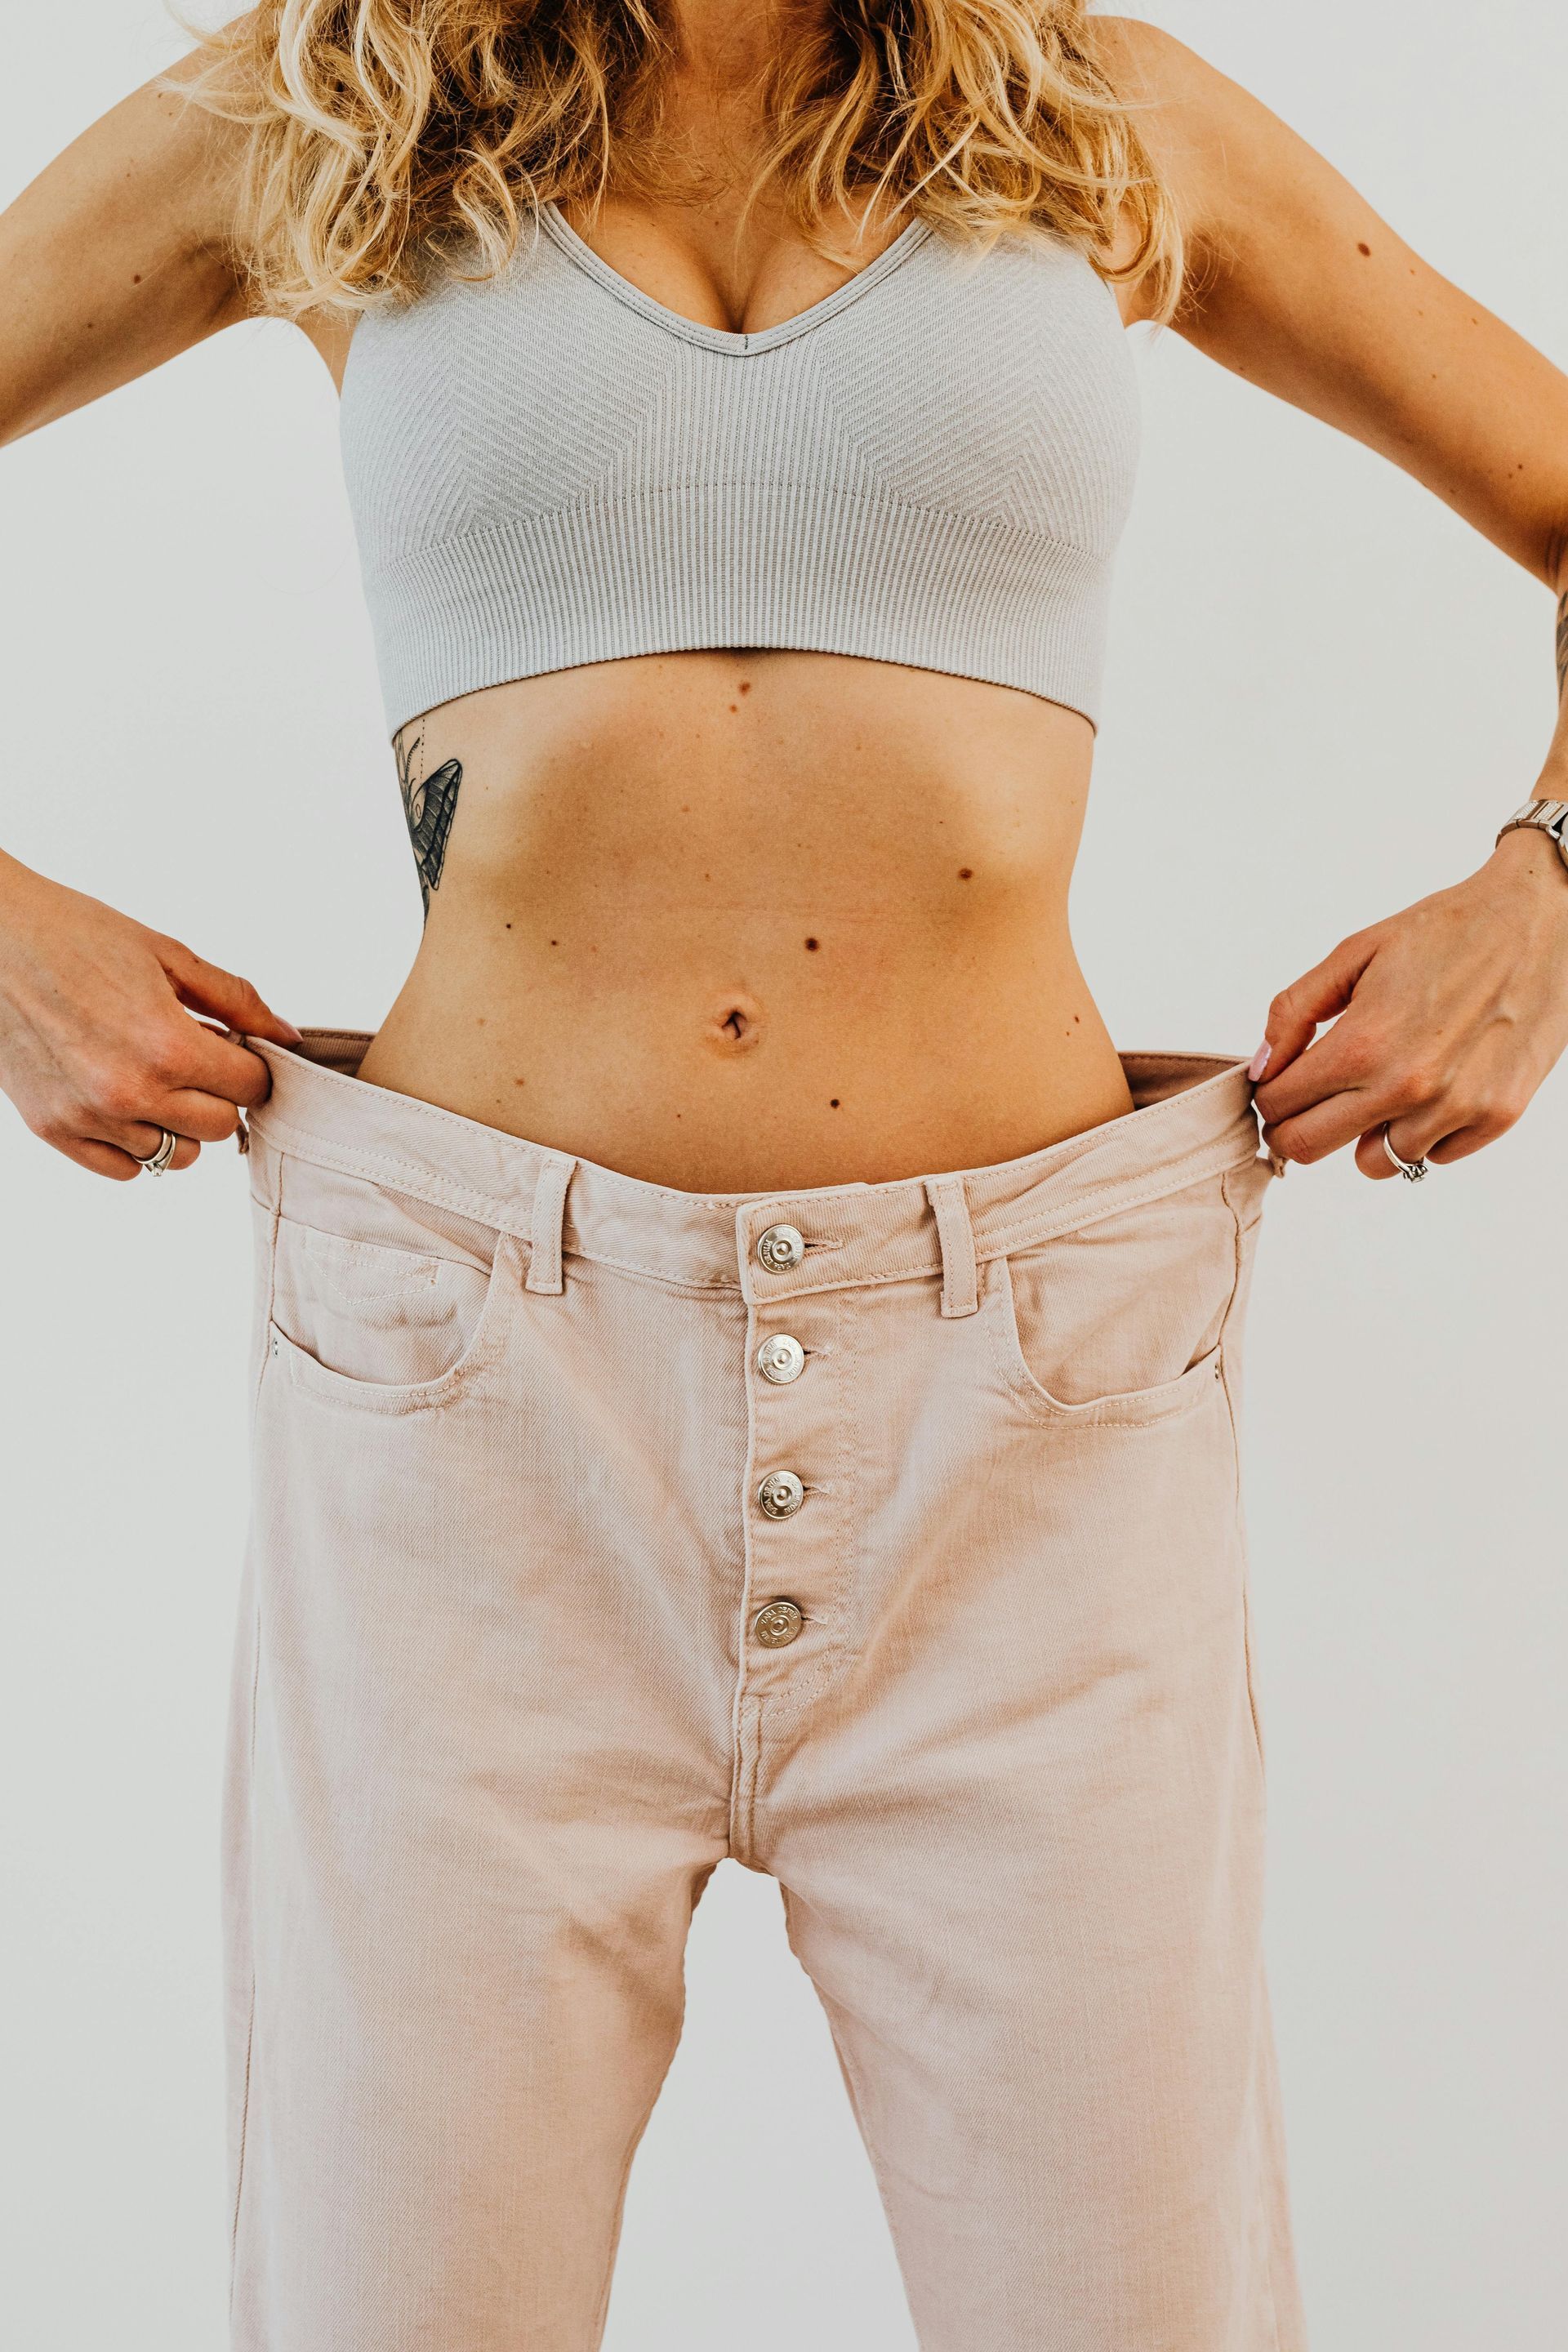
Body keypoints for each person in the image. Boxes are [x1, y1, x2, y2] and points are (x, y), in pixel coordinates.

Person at [2, 6, 1566, 2346]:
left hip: (1037, 1397)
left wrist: (1542, 886)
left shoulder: (1092, 111)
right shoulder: (319, 102)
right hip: (465, 1391)